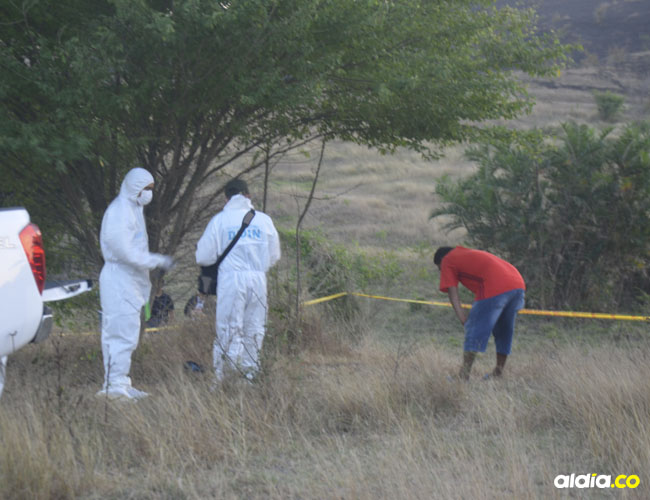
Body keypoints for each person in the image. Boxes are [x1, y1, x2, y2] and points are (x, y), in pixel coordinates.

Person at [97, 167, 174, 401]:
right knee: (119, 333)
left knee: (128, 333)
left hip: (129, 280)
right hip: (119, 279)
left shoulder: (133, 210)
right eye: (146, 189)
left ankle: (121, 382)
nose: (149, 194)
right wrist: (155, 260)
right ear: (134, 187)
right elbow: (125, 252)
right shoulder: (119, 212)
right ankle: (113, 386)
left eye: (151, 189)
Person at [196, 179, 280, 384]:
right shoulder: (264, 220)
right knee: (254, 328)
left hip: (231, 279)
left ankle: (226, 378)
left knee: (229, 328)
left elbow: (203, 257)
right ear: (248, 196)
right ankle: (249, 376)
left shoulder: (219, 221)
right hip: (258, 279)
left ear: (226, 198)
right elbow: (274, 255)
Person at [434, 246, 525, 380]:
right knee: (504, 331)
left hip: (495, 286)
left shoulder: (447, 260)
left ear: (441, 260)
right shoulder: (465, 254)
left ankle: (463, 375)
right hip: (518, 285)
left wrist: (463, 319)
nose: (441, 272)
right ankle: (498, 373)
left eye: (440, 268)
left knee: (474, 330)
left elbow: (452, 293)